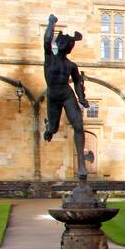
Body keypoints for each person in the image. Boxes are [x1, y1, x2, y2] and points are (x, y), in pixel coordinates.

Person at [43, 13, 92, 180]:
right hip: (53, 95)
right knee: (54, 129)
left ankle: (81, 165)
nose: (67, 45)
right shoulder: (50, 59)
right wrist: (51, 23)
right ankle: (49, 127)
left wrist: (81, 98)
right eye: (65, 42)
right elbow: (46, 40)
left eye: (70, 44)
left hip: (66, 94)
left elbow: (77, 81)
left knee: (78, 125)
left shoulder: (71, 65)